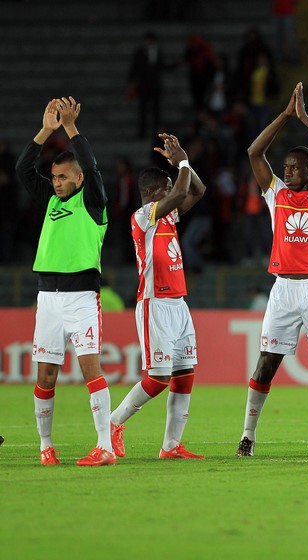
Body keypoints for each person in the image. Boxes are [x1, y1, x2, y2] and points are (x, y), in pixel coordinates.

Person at [236, 83, 308, 457]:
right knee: (266, 364)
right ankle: (247, 435)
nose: (288, 172)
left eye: (295, 167)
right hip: (283, 289)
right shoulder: (276, 195)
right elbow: (254, 152)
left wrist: (305, 118)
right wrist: (284, 117)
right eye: (285, 168)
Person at [15, 97, 115, 466]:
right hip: (48, 298)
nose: (56, 182)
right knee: (45, 375)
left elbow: (92, 164)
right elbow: (24, 169)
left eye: (63, 177)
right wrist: (46, 130)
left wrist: (70, 128)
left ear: (79, 179)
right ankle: (46, 445)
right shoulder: (51, 201)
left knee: (91, 369)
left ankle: (104, 446)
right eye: (54, 177)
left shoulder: (93, 202)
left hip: (80, 297)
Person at [110, 133, 207, 460]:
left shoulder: (167, 215)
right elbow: (181, 190)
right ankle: (113, 423)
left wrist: (184, 164)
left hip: (179, 303)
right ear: (152, 194)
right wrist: (181, 160)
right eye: (165, 190)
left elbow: (197, 190)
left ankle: (171, 445)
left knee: (184, 375)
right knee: (158, 378)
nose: (172, 196)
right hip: (155, 303)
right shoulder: (143, 217)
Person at [128, 32, 167, 139]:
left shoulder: (157, 52)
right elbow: (134, 67)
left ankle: (157, 133)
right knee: (143, 110)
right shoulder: (140, 52)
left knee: (156, 111)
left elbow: (161, 66)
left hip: (155, 86)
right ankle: (142, 133)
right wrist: (132, 82)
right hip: (143, 86)